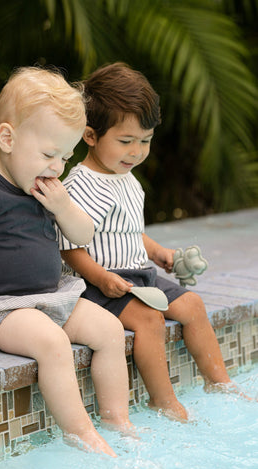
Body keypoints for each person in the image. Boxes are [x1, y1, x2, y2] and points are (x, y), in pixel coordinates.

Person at [0, 66, 135, 457]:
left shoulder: (47, 189)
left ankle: (118, 420)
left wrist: (63, 206)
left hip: (52, 298)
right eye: (49, 154)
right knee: (53, 343)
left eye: (65, 156)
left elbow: (83, 236)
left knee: (110, 330)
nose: (56, 167)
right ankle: (80, 433)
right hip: (1, 308)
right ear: (8, 138)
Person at [59, 62, 232, 422]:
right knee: (150, 320)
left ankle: (220, 383)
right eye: (126, 141)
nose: (136, 152)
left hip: (140, 275)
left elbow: (130, 230)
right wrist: (100, 277)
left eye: (145, 141)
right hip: (99, 283)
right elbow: (68, 246)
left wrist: (158, 253)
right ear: (90, 136)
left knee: (194, 305)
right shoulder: (83, 184)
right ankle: (163, 400)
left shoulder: (128, 178)